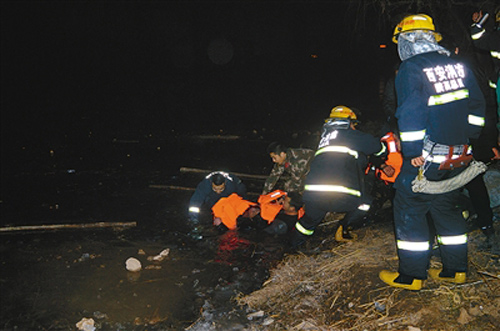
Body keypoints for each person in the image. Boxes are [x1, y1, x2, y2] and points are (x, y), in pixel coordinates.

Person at [379, 14, 486, 291]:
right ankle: (455, 271)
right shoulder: (456, 64)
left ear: (406, 40)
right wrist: (468, 137)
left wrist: (413, 150)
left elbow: (411, 113)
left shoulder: (411, 68)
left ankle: (412, 276)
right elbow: (477, 104)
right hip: (459, 156)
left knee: (409, 208)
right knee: (445, 209)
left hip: (427, 159)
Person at [290, 105, 390, 247]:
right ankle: (344, 227)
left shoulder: (324, 139)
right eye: (353, 124)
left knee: (308, 223)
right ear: (348, 122)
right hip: (339, 194)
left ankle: (294, 247)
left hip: (313, 193)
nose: (354, 127)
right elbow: (376, 147)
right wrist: (384, 150)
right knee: (366, 203)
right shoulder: (348, 135)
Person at [187, 171, 246, 238]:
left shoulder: (232, 184)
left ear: (225, 183)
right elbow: (195, 203)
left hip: (228, 200)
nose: (218, 191)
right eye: (215, 189)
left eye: (220, 189)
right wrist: (194, 220)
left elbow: (242, 198)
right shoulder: (205, 185)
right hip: (211, 199)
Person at [470, 8, 500, 137]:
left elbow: (478, 38)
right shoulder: (495, 37)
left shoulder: (495, 36)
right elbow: (479, 39)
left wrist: (478, 23)